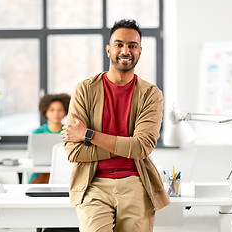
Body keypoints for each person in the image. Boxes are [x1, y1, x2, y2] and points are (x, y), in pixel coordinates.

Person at [61, 19, 170, 232]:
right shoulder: (86, 90)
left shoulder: (151, 94)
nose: (125, 50)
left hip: (136, 183)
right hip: (93, 185)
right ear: (108, 49)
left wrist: (88, 134)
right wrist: (124, 148)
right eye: (119, 44)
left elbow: (142, 148)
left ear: (140, 51)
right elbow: (74, 151)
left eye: (132, 45)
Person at [28, 93, 71, 184]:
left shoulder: (69, 132)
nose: (56, 113)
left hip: (64, 173)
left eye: (60, 110)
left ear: (65, 112)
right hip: (40, 174)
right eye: (52, 110)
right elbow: (31, 155)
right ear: (46, 112)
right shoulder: (36, 133)